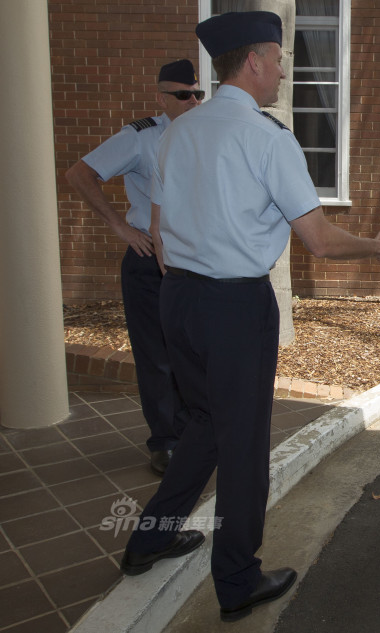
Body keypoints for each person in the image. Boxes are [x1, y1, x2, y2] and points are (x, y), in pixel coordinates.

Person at [119, 11, 380, 622]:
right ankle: (239, 579)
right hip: (232, 306)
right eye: (278, 59)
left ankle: (151, 536)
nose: (281, 71)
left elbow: (160, 231)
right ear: (252, 61)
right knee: (241, 443)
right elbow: (320, 240)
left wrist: (189, 279)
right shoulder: (267, 138)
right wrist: (377, 247)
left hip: (179, 299)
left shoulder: (178, 131)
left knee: (204, 424)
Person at [65, 59, 202, 476]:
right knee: (156, 357)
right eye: (183, 95)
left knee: (193, 352)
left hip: (194, 259)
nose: (193, 101)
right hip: (148, 260)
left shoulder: (207, 134)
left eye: (197, 93)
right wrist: (120, 227)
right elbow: (79, 174)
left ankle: (194, 434)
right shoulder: (141, 138)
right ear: (161, 97)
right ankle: (165, 442)